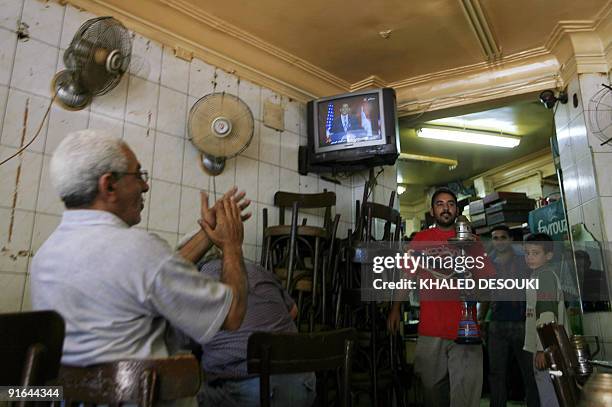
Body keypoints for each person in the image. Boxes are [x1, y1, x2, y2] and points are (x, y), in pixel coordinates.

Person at [31, 129, 250, 366]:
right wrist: (232, 245)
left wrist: (207, 234)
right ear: (109, 186)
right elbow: (231, 315)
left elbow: (151, 277)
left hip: (65, 397)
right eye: (137, 175)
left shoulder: (44, 256)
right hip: (137, 395)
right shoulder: (138, 249)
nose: (145, 186)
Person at [387, 187, 494, 407]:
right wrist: (395, 308)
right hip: (431, 329)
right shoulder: (421, 240)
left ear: (457, 209)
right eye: (440, 204)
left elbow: (487, 283)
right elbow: (407, 276)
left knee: (465, 396)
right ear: (432, 211)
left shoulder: (472, 241)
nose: (446, 208)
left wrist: (480, 314)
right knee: (431, 392)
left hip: (466, 330)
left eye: (451, 204)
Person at [196, 258, 315, 407]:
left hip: (256, 391)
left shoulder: (197, 281)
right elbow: (293, 311)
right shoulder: (260, 271)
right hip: (304, 384)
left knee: (189, 398)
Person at [484, 225, 539, 407]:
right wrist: (480, 317)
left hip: (522, 323)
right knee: (496, 373)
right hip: (496, 324)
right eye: (495, 237)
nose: (499, 241)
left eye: (502, 237)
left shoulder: (524, 262)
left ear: (509, 240)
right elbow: (484, 293)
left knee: (530, 373)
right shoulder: (488, 264)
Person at [523, 233, 566, 407]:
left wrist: (543, 349)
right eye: (527, 253)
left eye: (536, 253)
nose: (530, 257)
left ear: (548, 255)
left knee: (550, 396)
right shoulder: (539, 275)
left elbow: (547, 313)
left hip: (548, 348)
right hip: (549, 346)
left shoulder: (544, 277)